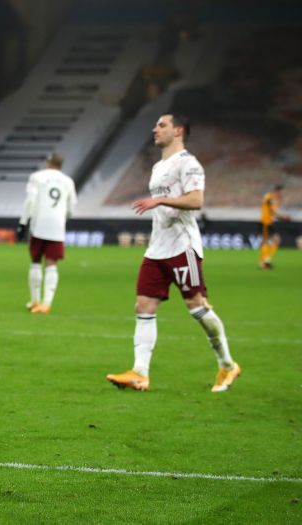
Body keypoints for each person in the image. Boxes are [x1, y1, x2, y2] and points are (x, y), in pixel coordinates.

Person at [106, 114, 240, 393]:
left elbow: (196, 200)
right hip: (157, 248)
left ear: (178, 130)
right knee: (143, 305)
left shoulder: (189, 164)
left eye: (162, 125)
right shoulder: (158, 166)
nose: (155, 129)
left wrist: (160, 199)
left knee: (197, 306)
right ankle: (139, 373)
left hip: (183, 246)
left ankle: (227, 365)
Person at [16, 153, 77, 314]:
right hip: (57, 227)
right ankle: (46, 303)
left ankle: (34, 301)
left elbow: (30, 200)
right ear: (61, 164)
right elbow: (72, 207)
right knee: (52, 264)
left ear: (48, 162)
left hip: (39, 225)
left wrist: (23, 222)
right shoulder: (68, 181)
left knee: (35, 261)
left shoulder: (37, 177)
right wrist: (62, 218)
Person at [259, 184, 290, 269]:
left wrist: (280, 218)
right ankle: (264, 262)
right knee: (270, 240)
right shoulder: (269, 197)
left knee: (274, 240)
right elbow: (271, 210)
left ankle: (265, 261)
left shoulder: (275, 199)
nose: (282, 194)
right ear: (277, 191)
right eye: (282, 192)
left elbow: (272, 212)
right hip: (265, 222)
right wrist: (282, 217)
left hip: (269, 222)